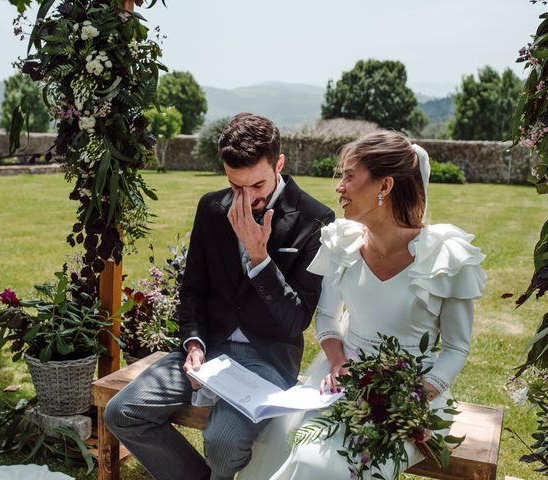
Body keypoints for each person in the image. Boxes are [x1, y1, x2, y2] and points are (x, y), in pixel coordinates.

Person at [238, 131, 486, 479]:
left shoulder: (444, 256)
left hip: (413, 399)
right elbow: (327, 317)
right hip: (341, 383)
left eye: (349, 176)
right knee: (309, 459)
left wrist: (411, 399)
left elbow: (457, 348)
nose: (339, 186)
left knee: (347, 471)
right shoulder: (342, 243)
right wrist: (338, 363)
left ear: (384, 186)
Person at [104, 112, 335, 480]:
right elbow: (193, 290)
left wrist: (260, 258)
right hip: (207, 351)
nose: (246, 199)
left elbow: (296, 319)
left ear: (278, 164)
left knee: (223, 443)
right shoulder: (211, 208)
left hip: (268, 359)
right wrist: (193, 343)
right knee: (121, 413)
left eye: (257, 186)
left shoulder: (316, 219)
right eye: (235, 186)